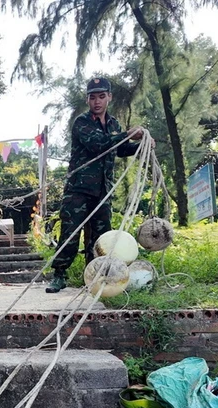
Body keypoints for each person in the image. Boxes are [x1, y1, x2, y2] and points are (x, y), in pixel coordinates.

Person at [46, 77, 147, 293]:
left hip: (103, 191)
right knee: (70, 234)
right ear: (88, 99)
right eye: (93, 97)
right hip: (78, 190)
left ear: (109, 97)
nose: (97, 101)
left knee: (101, 238)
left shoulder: (113, 124)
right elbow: (97, 145)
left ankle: (96, 277)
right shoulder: (82, 122)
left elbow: (120, 149)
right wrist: (126, 134)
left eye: (102, 96)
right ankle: (59, 275)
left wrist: (142, 144)